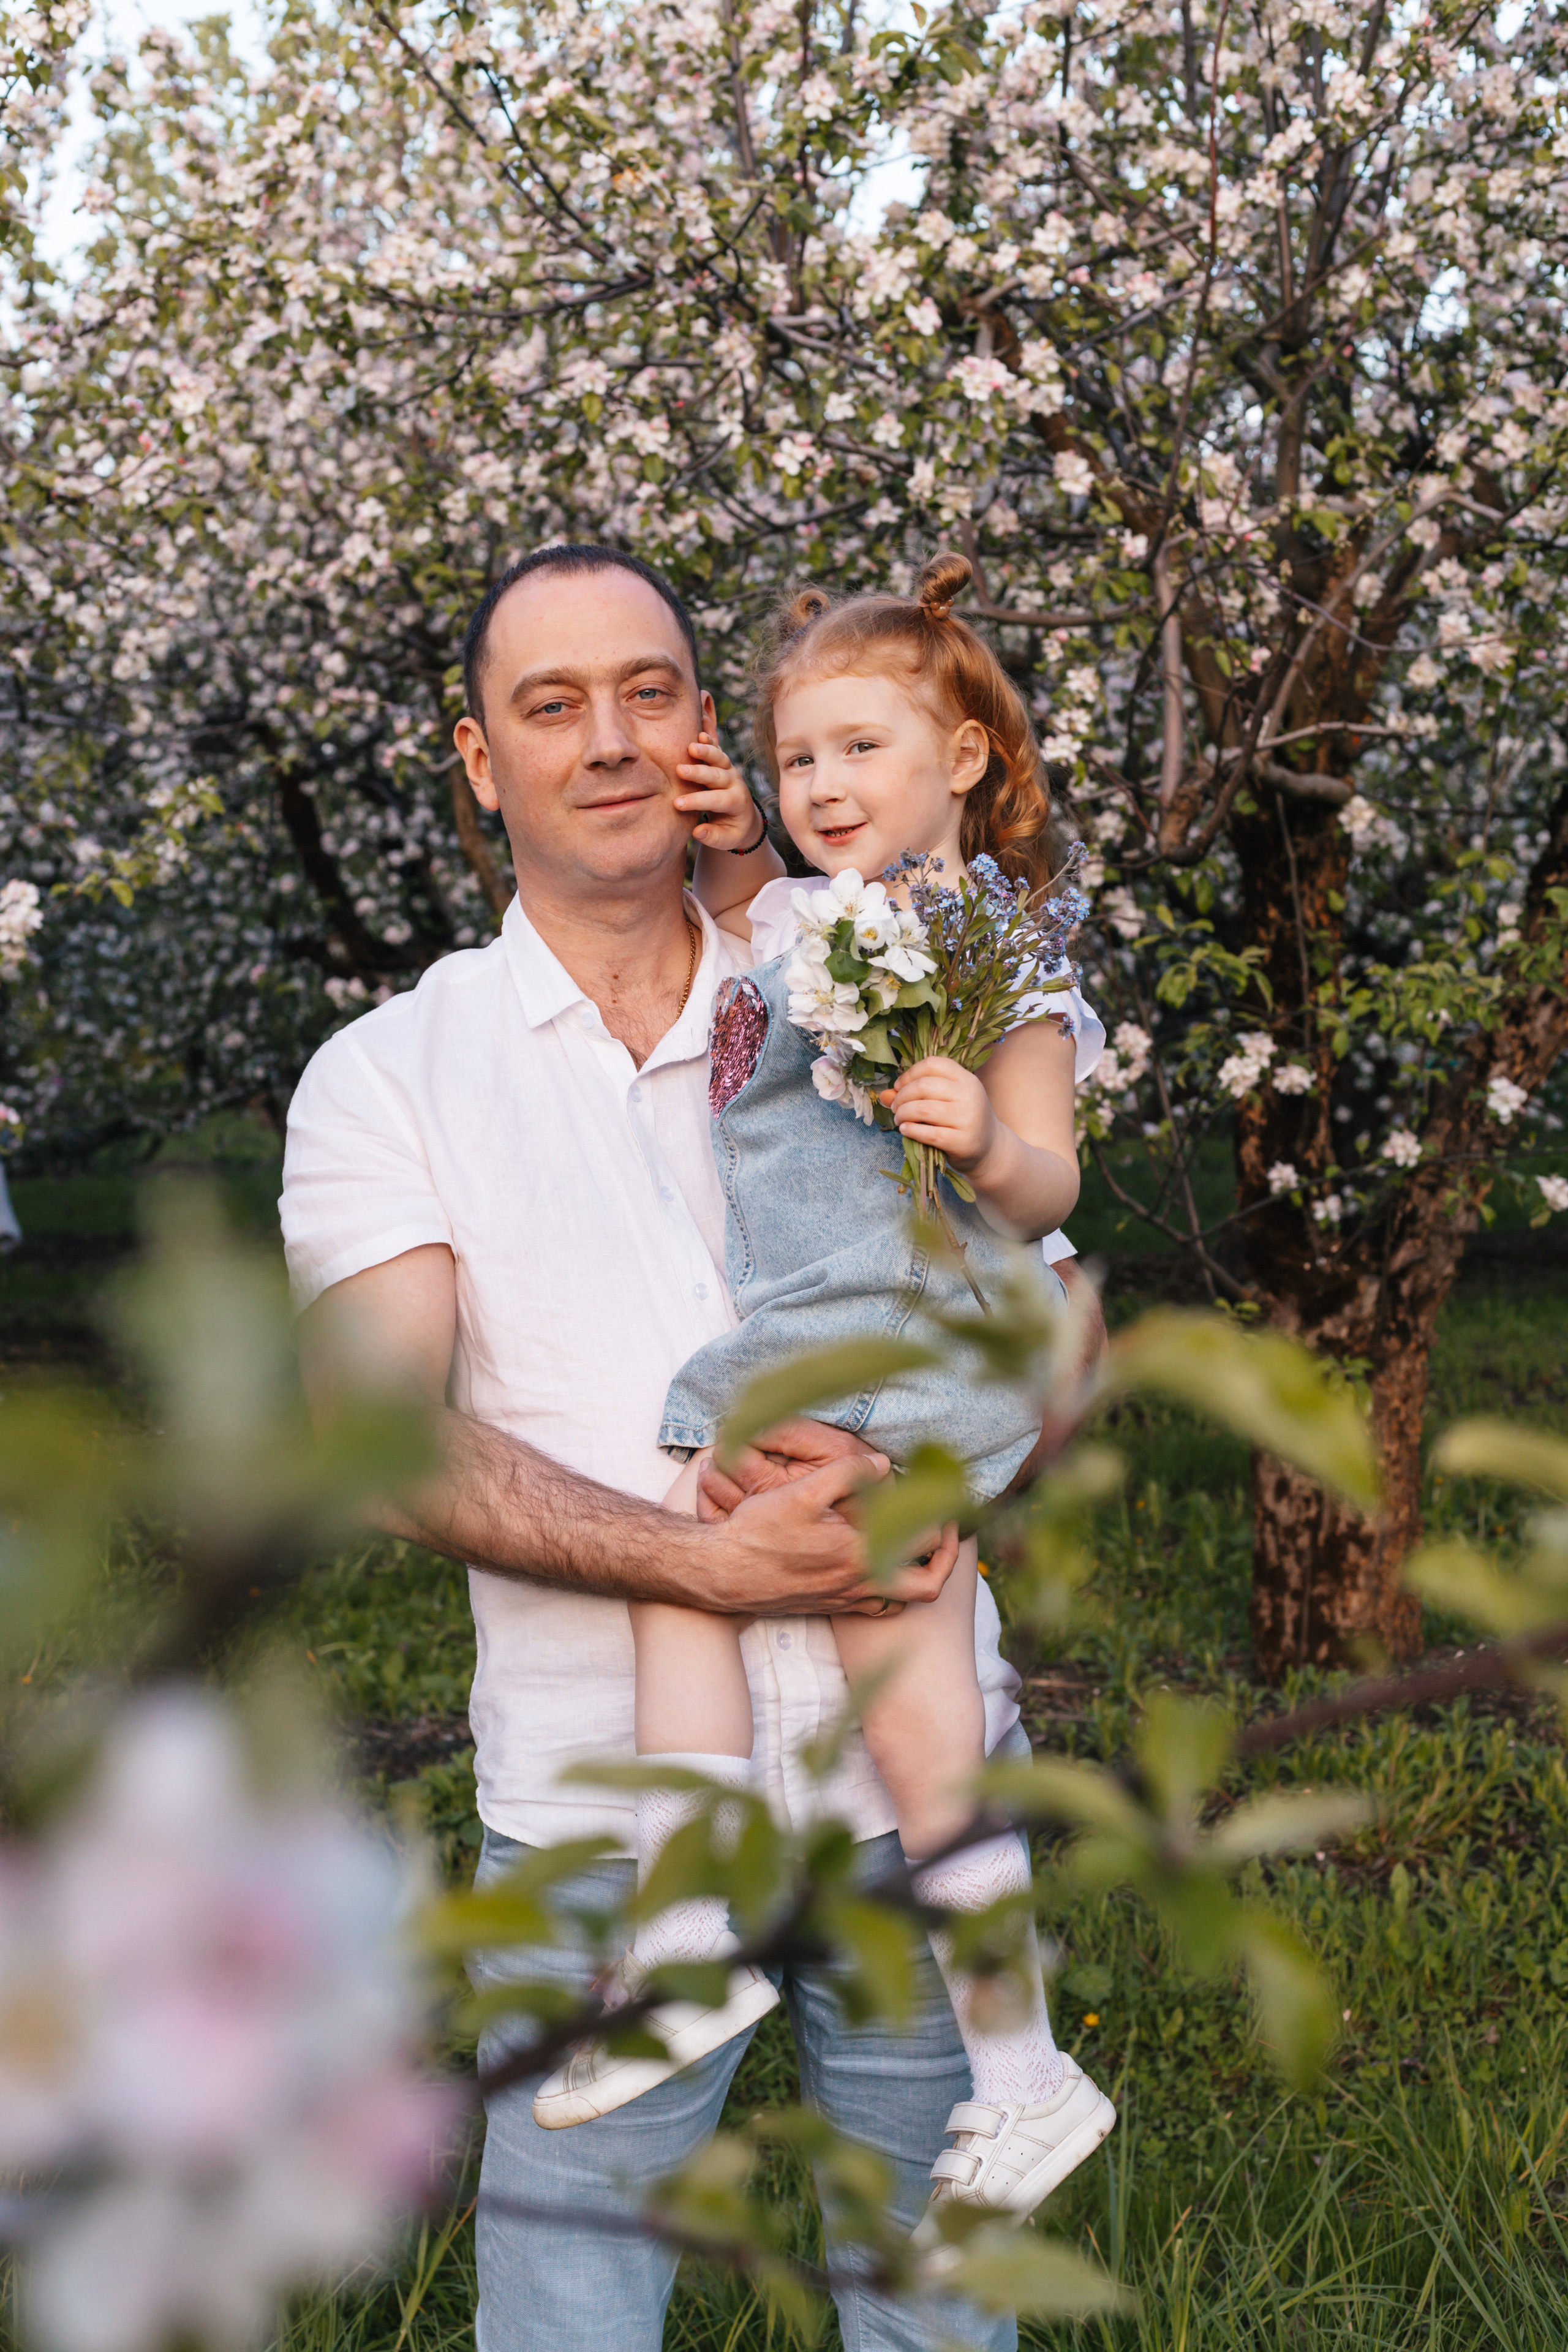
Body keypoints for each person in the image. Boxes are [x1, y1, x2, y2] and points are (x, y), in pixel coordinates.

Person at [280, 541, 1102, 2352]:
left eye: (651, 692)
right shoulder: (393, 1074)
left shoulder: (862, 965)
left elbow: (1056, 1297)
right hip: (611, 1820)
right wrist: (700, 1563)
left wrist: (967, 1438)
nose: (611, 740)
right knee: (573, 2314)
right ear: (482, 761)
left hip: (917, 1794)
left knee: (938, 2312)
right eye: (550, 707)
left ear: (708, 726)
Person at [530, 554, 1117, 2247]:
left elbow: (1047, 1177)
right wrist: (730, 824)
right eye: (801, 762)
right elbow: (757, 891)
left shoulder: (1003, 950)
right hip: (817, 1345)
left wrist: (977, 1133)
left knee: (923, 1735)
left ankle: (1016, 2073)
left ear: (970, 764)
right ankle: (696, 1942)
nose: (826, 791)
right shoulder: (797, 917)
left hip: (926, 1338)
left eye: (864, 751)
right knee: (683, 1559)